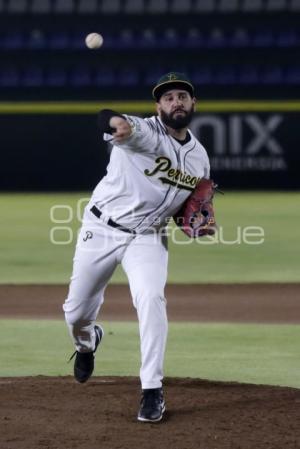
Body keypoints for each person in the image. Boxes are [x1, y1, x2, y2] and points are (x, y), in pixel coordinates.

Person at [63, 72, 211, 423]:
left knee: (151, 298)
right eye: (169, 97)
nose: (176, 101)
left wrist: (194, 221)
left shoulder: (200, 158)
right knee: (75, 313)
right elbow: (106, 116)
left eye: (182, 96)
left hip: (147, 237)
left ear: (193, 104)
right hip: (101, 229)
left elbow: (188, 206)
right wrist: (117, 123)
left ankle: (152, 390)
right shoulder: (142, 131)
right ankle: (87, 342)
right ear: (158, 106)